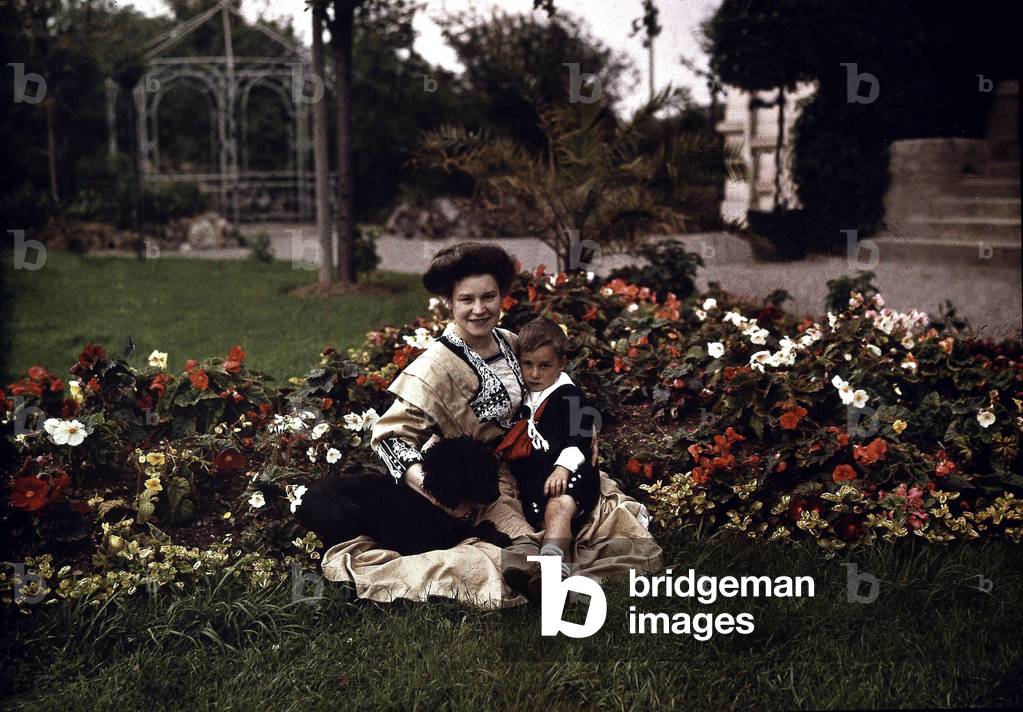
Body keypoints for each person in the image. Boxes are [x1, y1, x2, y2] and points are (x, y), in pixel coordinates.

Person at [309, 241, 661, 607]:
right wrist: (442, 498)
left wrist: (575, 437)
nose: (479, 310)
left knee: (590, 513)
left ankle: (554, 569)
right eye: (466, 300)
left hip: (532, 463)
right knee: (520, 549)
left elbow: (556, 390)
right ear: (448, 302)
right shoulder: (436, 365)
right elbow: (389, 437)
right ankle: (544, 579)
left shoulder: (511, 342)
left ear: (501, 297)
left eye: (489, 297)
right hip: (484, 482)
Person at [495, 317, 600, 582]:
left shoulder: (569, 395)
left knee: (559, 508)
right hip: (535, 479)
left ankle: (551, 572)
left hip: (570, 474)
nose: (534, 374)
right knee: (544, 520)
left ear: (561, 364)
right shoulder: (522, 394)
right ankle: (550, 574)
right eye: (527, 364)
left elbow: (580, 435)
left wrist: (563, 468)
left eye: (544, 366)